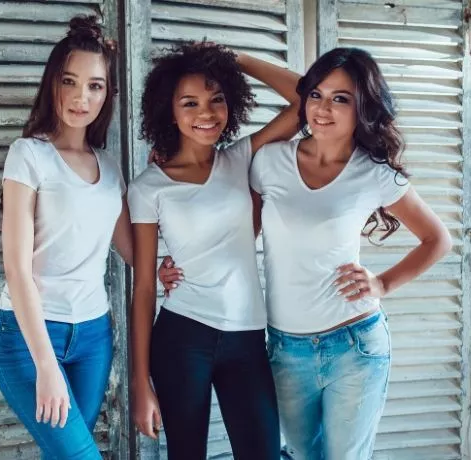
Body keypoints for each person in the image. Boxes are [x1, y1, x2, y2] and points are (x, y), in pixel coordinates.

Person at [160, 47, 453, 460]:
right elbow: (234, 230)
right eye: (316, 95)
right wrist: (180, 263)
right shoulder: (270, 161)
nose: (322, 108)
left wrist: (382, 282)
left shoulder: (374, 174)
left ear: (362, 107)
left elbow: (438, 239)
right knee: (299, 456)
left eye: (341, 98)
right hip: (285, 349)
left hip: (355, 344)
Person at [128, 42, 301, 459]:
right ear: (168, 110)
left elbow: (304, 96)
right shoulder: (149, 186)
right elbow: (146, 288)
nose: (206, 114)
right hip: (182, 336)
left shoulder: (240, 157)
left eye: (216, 99)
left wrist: (233, 59)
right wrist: (138, 383)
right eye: (190, 103)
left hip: (247, 337)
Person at [0, 16, 129, 459]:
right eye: (70, 81)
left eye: (95, 86)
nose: (81, 97)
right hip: (28, 337)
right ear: (53, 84)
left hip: (93, 336)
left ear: (107, 95)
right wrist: (45, 366)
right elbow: (16, 267)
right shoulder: (28, 155)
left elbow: (131, 248)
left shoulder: (110, 167)